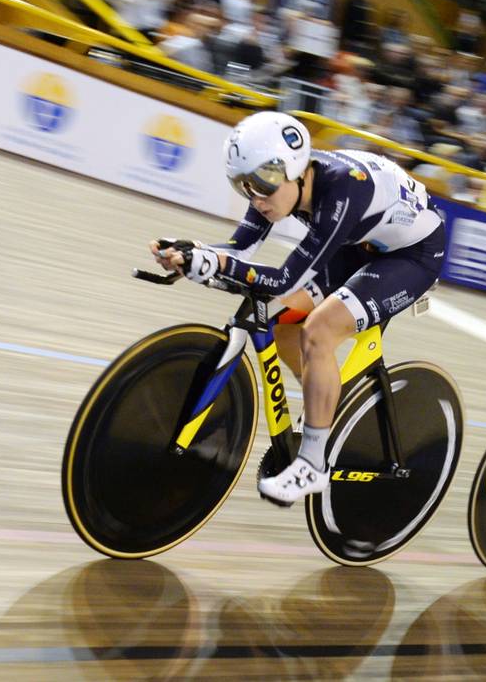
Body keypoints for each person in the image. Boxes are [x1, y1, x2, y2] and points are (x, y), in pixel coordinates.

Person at [150, 112, 445, 504]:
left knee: (319, 330)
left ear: (294, 169)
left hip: (413, 255)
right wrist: (192, 253)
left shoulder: (341, 192)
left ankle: (313, 465)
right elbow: (238, 250)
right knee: (283, 324)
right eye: (244, 187)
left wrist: (217, 266)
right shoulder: (275, 183)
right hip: (362, 244)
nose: (256, 197)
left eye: (262, 185)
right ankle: (327, 403)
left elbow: (284, 279)